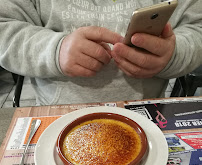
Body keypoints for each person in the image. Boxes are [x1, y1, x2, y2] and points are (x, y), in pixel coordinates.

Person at [0, 0, 202, 106]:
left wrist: (172, 55)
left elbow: (196, 27)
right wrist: (55, 50)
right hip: (55, 113)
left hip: (146, 111)